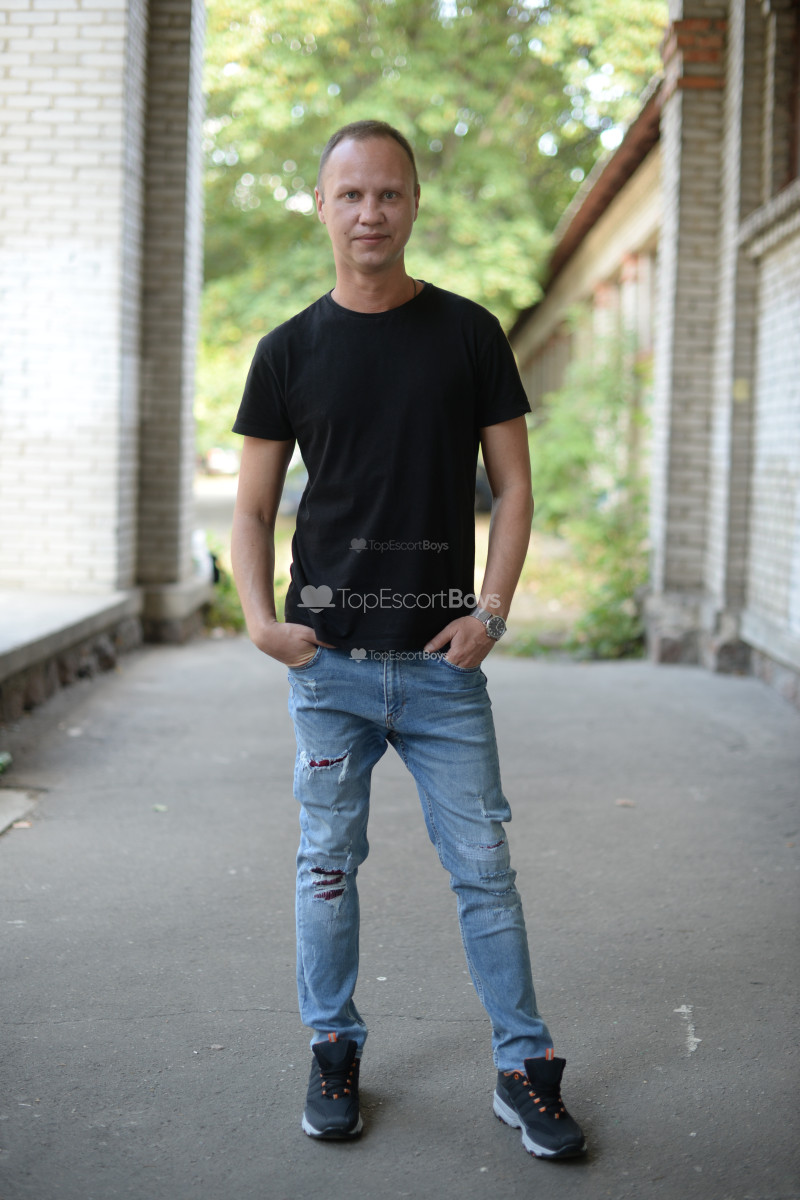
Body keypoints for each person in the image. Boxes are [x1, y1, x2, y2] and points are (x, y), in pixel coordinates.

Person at [230, 119, 586, 1161]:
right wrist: (260, 622)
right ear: (321, 206)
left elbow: (514, 489)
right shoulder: (287, 351)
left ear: (414, 203)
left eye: (388, 193)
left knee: (484, 873)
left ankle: (523, 1066)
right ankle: (332, 1047)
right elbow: (250, 508)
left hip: (440, 671)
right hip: (329, 667)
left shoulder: (469, 334)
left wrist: (492, 612)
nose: (369, 213)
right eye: (350, 195)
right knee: (325, 869)